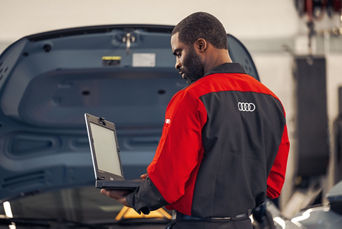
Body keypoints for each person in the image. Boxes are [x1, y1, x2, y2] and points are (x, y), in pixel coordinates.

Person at [101, 12, 290, 229]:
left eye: (179, 53)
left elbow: (168, 182)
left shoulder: (191, 99)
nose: (177, 64)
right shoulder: (272, 101)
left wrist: (133, 199)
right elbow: (274, 182)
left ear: (201, 45)